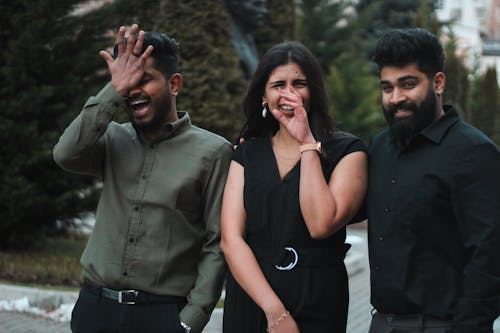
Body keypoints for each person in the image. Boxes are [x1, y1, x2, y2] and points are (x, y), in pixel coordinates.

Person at [53, 24, 232, 333]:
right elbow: (65, 154)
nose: (132, 90)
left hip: (162, 316)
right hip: (95, 310)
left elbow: (216, 243)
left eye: (143, 79)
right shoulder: (111, 139)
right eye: (126, 82)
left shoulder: (214, 152)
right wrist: (113, 90)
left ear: (174, 84)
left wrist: (192, 319)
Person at [220, 41, 368, 332]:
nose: (289, 93)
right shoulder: (247, 154)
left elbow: (321, 224)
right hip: (253, 298)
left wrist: (306, 143)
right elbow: (231, 239)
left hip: (318, 298)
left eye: (299, 83)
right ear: (263, 95)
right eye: (278, 85)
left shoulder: (348, 152)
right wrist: (275, 313)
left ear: (313, 91)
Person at [366, 28, 500, 333]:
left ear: (438, 83)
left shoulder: (473, 152)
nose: (396, 98)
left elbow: (490, 258)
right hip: (380, 324)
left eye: (408, 84)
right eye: (387, 88)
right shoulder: (380, 147)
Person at [225, 0, 268, 79]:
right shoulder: (229, 43)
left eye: (264, 5)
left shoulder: (248, 39)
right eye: (257, 4)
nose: (265, 11)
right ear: (235, 5)